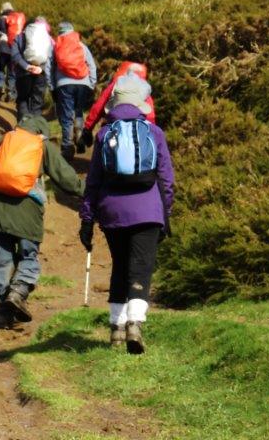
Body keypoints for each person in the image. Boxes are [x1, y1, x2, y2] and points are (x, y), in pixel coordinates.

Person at [78, 74, 174, 354]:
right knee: (140, 267)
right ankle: (135, 323)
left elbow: (92, 182)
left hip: (112, 213)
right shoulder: (154, 133)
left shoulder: (104, 134)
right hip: (148, 211)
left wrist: (87, 219)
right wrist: (165, 213)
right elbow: (166, 180)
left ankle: (116, 329)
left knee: (120, 266)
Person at [0, 115, 84, 324]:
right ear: (42, 132)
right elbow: (66, 178)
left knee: (2, 259)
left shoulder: (3, 140)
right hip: (28, 211)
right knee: (27, 256)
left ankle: (4, 303)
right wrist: (87, 191)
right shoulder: (41, 145)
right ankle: (17, 293)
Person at [81, 61, 155, 149]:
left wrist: (88, 128)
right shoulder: (145, 89)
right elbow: (150, 116)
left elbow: (98, 107)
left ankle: (100, 160)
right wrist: (151, 132)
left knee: (102, 139)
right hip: (138, 130)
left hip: (115, 126)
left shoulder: (116, 85)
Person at [52, 21, 97, 160]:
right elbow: (91, 65)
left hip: (64, 84)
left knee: (66, 116)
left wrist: (52, 85)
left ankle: (67, 147)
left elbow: (50, 68)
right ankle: (80, 137)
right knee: (78, 111)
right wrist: (91, 83)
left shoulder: (56, 47)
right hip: (82, 83)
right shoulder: (81, 46)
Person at [10, 16, 52, 120]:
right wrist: (41, 69)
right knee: (37, 102)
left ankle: (23, 127)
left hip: (23, 74)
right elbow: (50, 57)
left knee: (23, 99)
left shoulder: (20, 37)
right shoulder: (46, 38)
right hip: (40, 75)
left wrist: (27, 66)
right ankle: (34, 131)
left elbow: (14, 54)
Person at [0, 3, 25, 102]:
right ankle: (10, 91)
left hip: (2, 48)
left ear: (3, 10)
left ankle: (0, 86)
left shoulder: (0, 19)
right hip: (14, 50)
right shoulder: (17, 21)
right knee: (12, 72)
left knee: (0, 68)